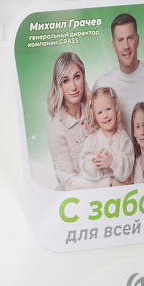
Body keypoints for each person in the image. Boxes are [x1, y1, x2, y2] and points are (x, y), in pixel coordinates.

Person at [92, 13, 144, 141]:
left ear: (137, 40)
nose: (126, 46)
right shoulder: (102, 84)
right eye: (120, 40)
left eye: (130, 38)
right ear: (114, 46)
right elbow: (93, 130)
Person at [46, 51, 91, 190]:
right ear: (59, 85)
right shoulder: (56, 129)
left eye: (76, 77)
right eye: (66, 80)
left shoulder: (95, 113)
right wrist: (108, 183)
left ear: (83, 77)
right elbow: (70, 184)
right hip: (73, 200)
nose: (73, 87)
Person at [75, 87, 134, 187]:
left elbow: (127, 167)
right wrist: (94, 163)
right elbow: (84, 164)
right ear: (94, 116)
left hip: (120, 190)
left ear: (116, 108)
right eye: (99, 112)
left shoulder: (123, 139)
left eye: (108, 109)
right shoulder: (92, 139)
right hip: (100, 189)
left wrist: (113, 161)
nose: (105, 115)